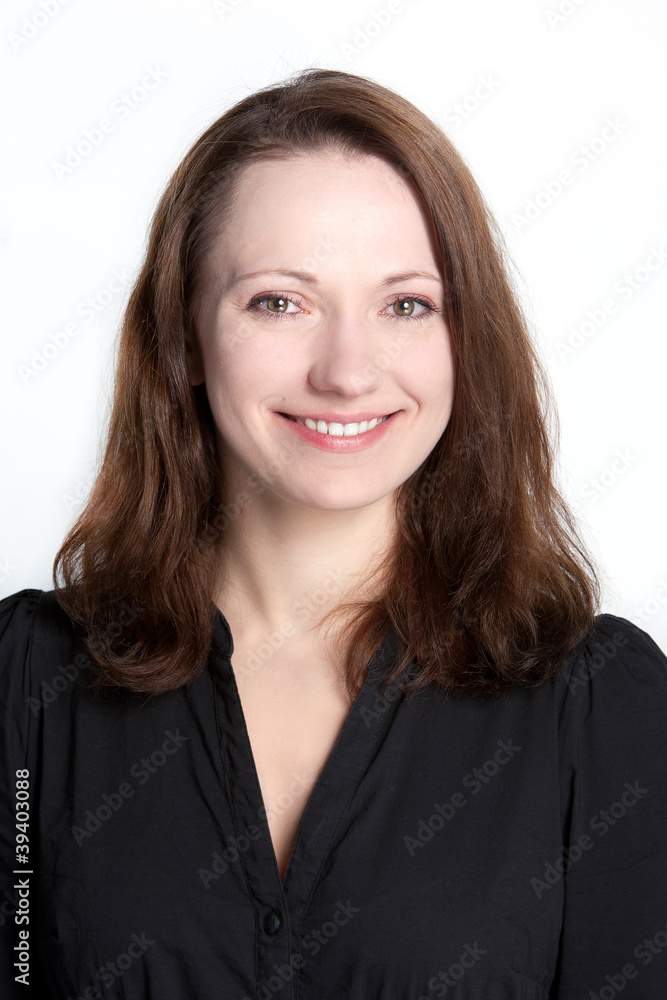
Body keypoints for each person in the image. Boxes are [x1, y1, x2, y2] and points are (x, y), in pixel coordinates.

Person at [1, 67, 666, 1000]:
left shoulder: (600, 708)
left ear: (465, 339)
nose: (348, 372)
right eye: (279, 301)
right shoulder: (27, 678)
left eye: (407, 305)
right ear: (184, 337)